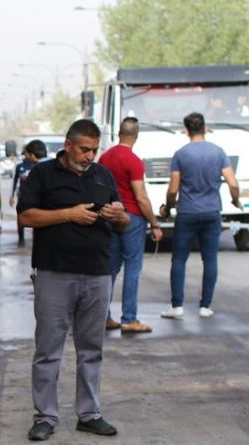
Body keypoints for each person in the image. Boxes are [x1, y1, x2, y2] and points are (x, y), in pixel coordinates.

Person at [16, 119, 129, 441]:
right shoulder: (43, 175)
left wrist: (120, 217)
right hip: (55, 274)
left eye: (94, 150)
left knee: (91, 349)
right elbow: (25, 216)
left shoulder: (103, 175)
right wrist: (68, 214)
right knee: (48, 350)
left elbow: (122, 223)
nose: (89, 156)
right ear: (68, 145)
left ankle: (89, 413)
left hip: (97, 274)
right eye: (84, 149)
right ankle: (45, 416)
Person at [159, 112, 241, 320]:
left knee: (179, 259)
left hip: (187, 212)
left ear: (186, 131)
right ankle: (205, 306)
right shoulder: (218, 152)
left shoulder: (180, 154)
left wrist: (168, 208)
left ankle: (177, 306)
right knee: (210, 258)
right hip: (212, 211)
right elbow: (233, 183)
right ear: (206, 128)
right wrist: (235, 200)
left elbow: (172, 190)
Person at [97, 117, 164, 333]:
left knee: (110, 268)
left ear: (118, 133)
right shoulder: (134, 160)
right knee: (132, 268)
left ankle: (104, 316)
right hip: (132, 218)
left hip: (109, 216)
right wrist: (154, 223)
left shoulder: (104, 158)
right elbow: (141, 197)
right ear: (136, 136)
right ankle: (129, 318)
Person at [10, 140, 44, 247]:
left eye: (28, 153)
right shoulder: (20, 166)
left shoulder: (37, 166)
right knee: (21, 217)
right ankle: (21, 238)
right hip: (22, 195)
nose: (26, 156)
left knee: (36, 217)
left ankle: (37, 238)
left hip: (35, 196)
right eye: (25, 154)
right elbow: (15, 181)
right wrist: (12, 196)